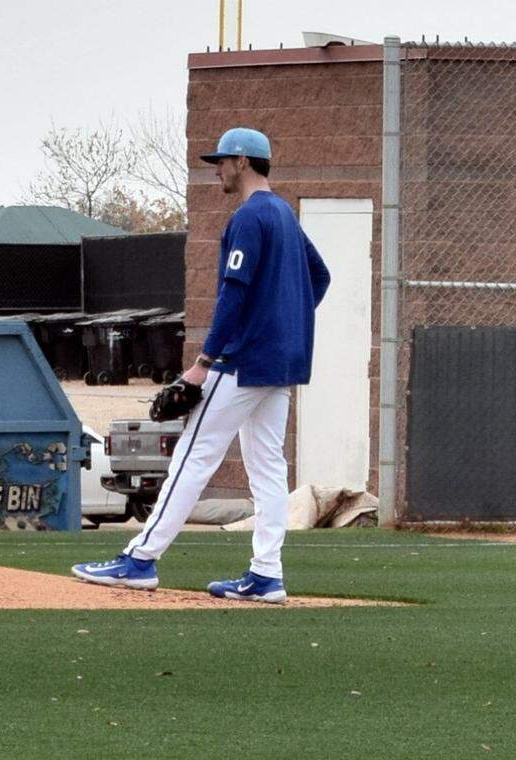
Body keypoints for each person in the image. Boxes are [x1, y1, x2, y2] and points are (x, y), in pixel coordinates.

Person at [72, 127, 331, 602]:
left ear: (245, 162)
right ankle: (267, 574)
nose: (218, 169)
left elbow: (233, 296)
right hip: (278, 365)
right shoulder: (285, 216)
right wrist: (283, 324)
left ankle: (140, 560)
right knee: (268, 470)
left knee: (193, 457)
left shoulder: (251, 217)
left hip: (239, 363)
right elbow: (321, 275)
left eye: (223, 161)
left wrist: (202, 363)